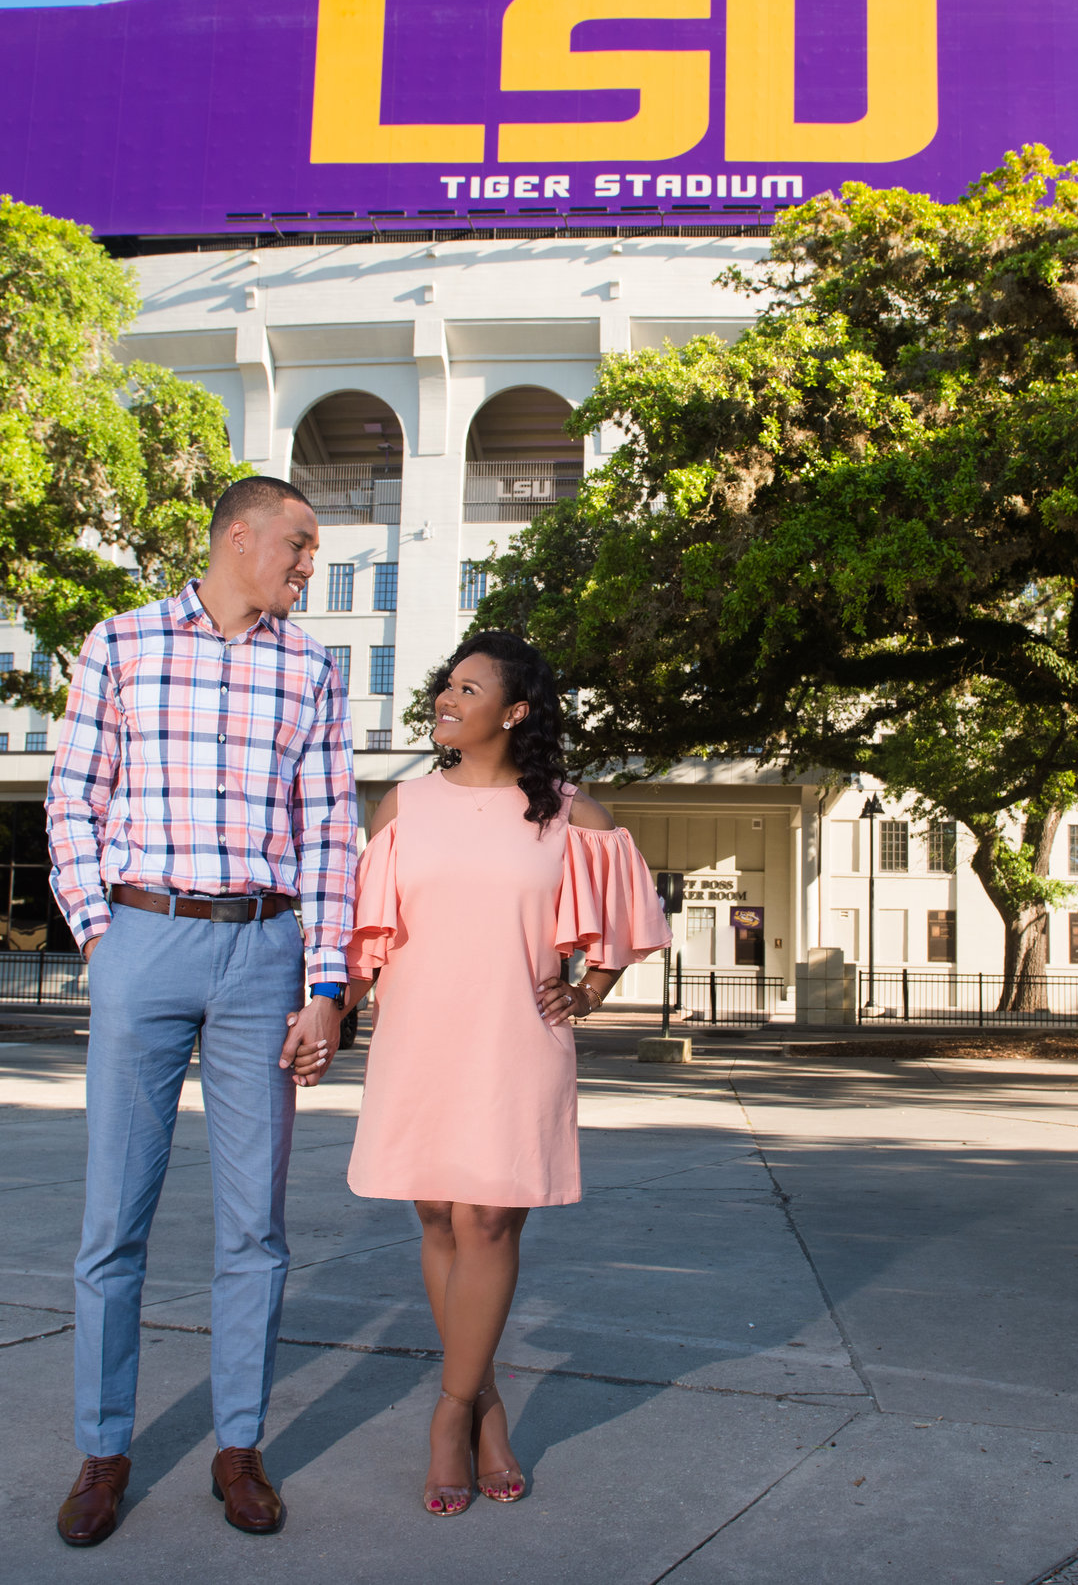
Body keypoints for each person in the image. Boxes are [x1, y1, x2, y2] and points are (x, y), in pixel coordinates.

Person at [43, 475, 356, 1548]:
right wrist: (101, 932)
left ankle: (237, 1444)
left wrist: (326, 983)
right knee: (113, 1220)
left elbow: (329, 835)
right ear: (239, 536)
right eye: (301, 544)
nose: (311, 564)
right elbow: (73, 797)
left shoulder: (312, 667)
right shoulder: (122, 642)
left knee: (254, 1226)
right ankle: (102, 1449)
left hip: (265, 950)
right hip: (147, 935)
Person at [341, 630, 671, 1516]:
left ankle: (449, 1412)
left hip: (517, 1036)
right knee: (440, 1217)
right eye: (445, 685)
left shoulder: (567, 810)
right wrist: (327, 1008)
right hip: (419, 1034)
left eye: (468, 688)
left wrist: (593, 987)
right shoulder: (403, 804)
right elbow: (368, 934)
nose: (446, 700)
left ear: (514, 711)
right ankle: (487, 1403)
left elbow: (631, 906)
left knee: (490, 1217)